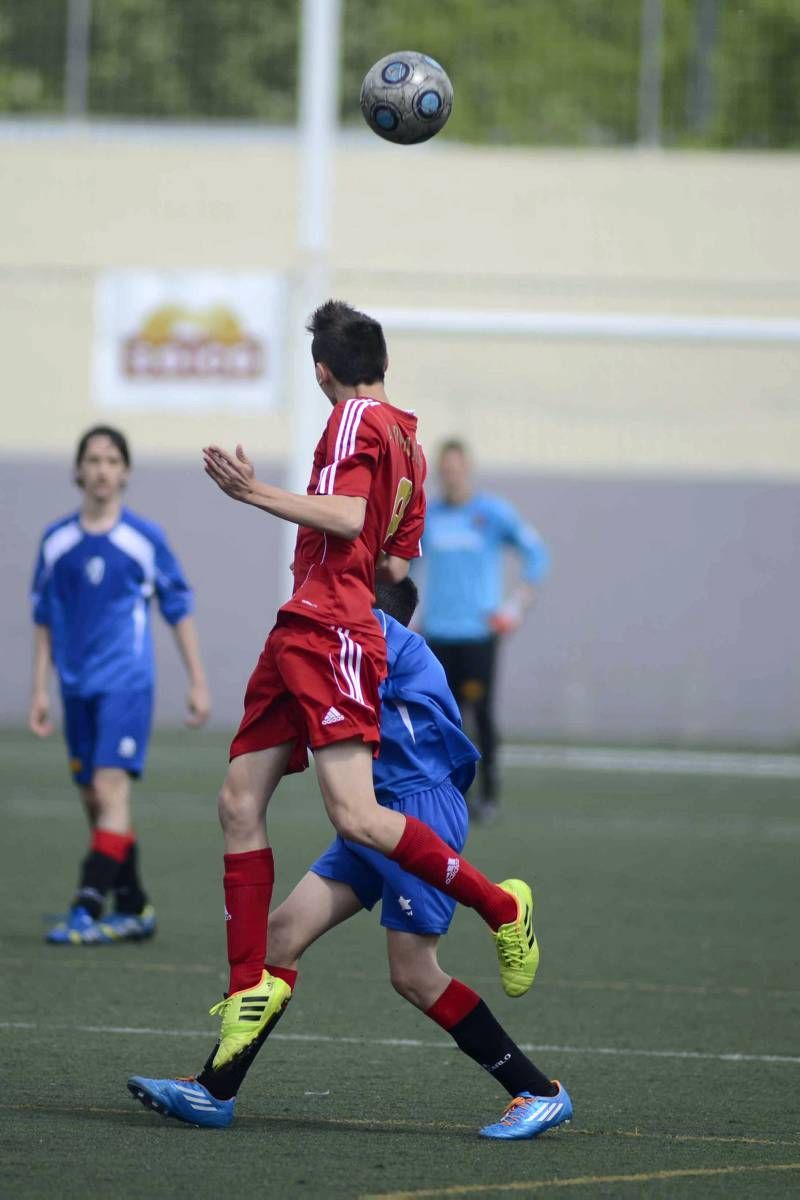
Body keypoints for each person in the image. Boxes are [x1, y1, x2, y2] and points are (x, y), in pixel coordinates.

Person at [186, 300, 538, 1076]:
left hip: (329, 628)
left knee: (357, 819)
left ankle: (502, 906)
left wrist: (255, 494)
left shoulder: (353, 421)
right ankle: (246, 994)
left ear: (323, 372)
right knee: (238, 801)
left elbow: (348, 518)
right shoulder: (408, 444)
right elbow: (393, 566)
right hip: (306, 624)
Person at [128, 579, 570, 1140]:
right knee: (281, 935)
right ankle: (215, 1090)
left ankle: (536, 1090)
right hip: (370, 815)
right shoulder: (341, 642)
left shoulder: (377, 639)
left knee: (414, 975)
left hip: (417, 814)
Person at [29, 425, 211, 944]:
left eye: (112, 460)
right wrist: (39, 688)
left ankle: (86, 905)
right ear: (79, 470)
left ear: (125, 472)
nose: (102, 469)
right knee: (92, 796)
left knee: (110, 789)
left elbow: (178, 607)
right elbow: (43, 616)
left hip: (126, 685)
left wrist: (197, 680)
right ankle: (133, 904)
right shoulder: (57, 540)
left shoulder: (143, 539)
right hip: (75, 687)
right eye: (94, 459)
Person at [418, 439, 550, 822]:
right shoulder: (429, 516)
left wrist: (516, 605)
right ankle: (450, 795)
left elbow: (537, 554)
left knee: (480, 712)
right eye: (445, 467)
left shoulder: (491, 514)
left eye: (457, 467)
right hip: (437, 634)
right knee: (442, 716)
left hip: (477, 635)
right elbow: (408, 566)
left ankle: (489, 795)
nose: (451, 474)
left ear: (468, 469)